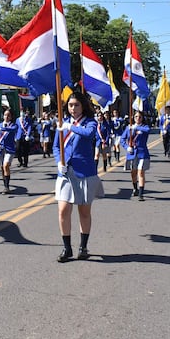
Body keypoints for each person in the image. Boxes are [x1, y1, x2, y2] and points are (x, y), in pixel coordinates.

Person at [54, 91, 102, 262]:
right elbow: (56, 146)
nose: (73, 108)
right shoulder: (63, 123)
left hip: (85, 172)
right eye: (70, 105)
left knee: (84, 211)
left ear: (83, 106)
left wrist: (70, 127)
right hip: (66, 172)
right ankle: (67, 248)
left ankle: (83, 246)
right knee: (63, 210)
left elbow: (89, 134)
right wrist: (59, 162)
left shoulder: (90, 122)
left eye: (76, 105)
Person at [121, 111, 151, 201]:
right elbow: (122, 139)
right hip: (132, 153)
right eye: (136, 116)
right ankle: (135, 188)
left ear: (142, 118)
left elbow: (148, 130)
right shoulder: (129, 128)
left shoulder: (144, 127)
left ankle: (141, 194)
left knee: (141, 172)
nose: (138, 118)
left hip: (142, 153)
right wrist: (127, 147)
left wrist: (136, 127)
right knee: (133, 172)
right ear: (133, 118)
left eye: (140, 117)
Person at [0, 109, 18, 194]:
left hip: (9, 149)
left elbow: (12, 130)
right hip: (0, 149)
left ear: (11, 117)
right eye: (5, 115)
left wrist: (3, 128)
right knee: (2, 168)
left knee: (6, 166)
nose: (6, 117)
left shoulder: (14, 125)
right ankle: (5, 185)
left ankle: (7, 187)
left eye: (8, 115)